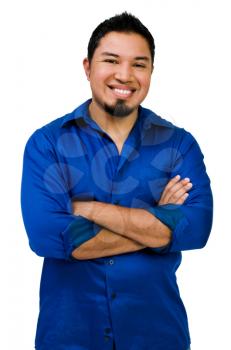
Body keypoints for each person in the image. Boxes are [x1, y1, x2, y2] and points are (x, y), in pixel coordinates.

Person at [21, 12, 213, 350]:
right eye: (112, 60)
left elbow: (196, 229)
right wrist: (159, 225)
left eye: (139, 64)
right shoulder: (47, 143)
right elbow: (50, 237)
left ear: (151, 71)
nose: (125, 75)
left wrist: (88, 208)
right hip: (69, 337)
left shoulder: (179, 145)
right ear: (87, 67)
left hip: (158, 336)